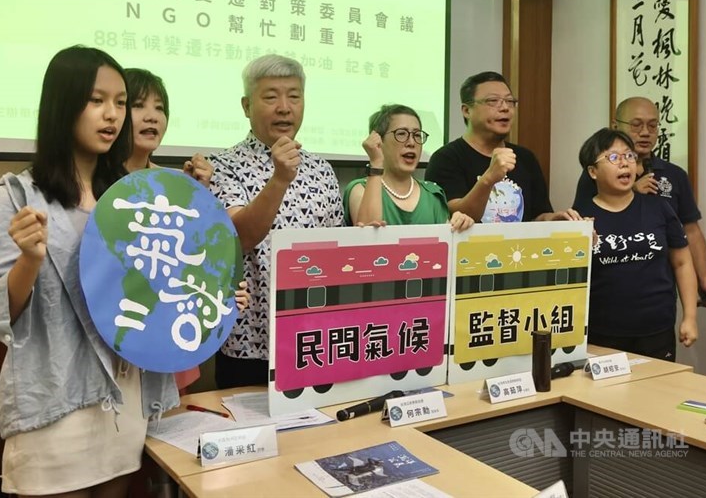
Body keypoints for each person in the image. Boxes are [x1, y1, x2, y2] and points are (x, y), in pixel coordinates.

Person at [0, 46, 178, 497]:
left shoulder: (131, 197)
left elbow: (150, 293)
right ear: (63, 105)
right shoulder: (19, 195)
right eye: (96, 100)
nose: (113, 115)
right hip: (55, 401)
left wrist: (207, 297)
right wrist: (29, 260)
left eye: (120, 102)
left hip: (124, 397)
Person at [209, 54, 344, 388]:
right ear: (246, 105)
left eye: (294, 96)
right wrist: (280, 179)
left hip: (315, 338)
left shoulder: (323, 169)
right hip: (250, 343)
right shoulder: (223, 166)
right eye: (271, 96)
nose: (284, 107)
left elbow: (338, 253)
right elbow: (240, 237)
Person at [123, 68, 248, 392]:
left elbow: (197, 256)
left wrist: (224, 290)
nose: (152, 117)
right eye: (138, 105)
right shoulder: (97, 186)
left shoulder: (177, 184)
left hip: (170, 330)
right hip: (122, 328)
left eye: (160, 108)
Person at [573, 96, 706, 300]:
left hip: (659, 289)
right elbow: (581, 227)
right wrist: (629, 191)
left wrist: (704, 278)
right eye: (636, 125)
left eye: (652, 126)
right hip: (609, 290)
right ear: (616, 126)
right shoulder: (598, 174)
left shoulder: (674, 175)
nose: (645, 133)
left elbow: (691, 230)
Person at [575, 128, 698, 361]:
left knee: (656, 394)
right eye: (613, 157)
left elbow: (682, 262)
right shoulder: (581, 219)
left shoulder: (659, 208)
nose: (625, 164)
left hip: (656, 330)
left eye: (629, 156)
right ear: (592, 171)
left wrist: (690, 317)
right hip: (602, 334)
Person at [425, 71, 580, 223]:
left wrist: (555, 219)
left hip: (520, 249)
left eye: (510, 101)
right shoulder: (446, 159)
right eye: (493, 101)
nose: (505, 108)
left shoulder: (526, 158)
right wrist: (489, 178)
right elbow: (456, 217)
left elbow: (538, 215)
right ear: (467, 111)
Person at [344, 104, 473, 232]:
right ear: (379, 141)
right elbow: (366, 239)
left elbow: (444, 247)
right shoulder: (360, 189)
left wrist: (458, 224)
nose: (411, 143)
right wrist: (376, 163)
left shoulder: (433, 194)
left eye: (417, 135)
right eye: (401, 134)